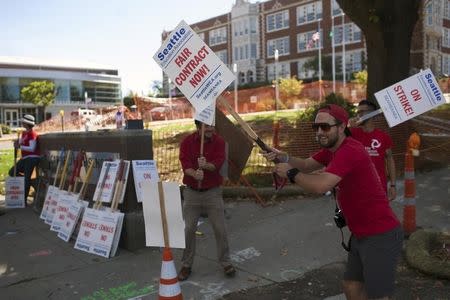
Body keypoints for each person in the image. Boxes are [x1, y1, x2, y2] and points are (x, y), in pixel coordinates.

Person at [263, 104, 402, 299]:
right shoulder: (332, 150)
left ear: (342, 126)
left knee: (377, 295)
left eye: (325, 127)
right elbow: (306, 165)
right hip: (361, 232)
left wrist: (290, 173)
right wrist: (282, 156)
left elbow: (321, 186)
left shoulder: (350, 149)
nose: (319, 132)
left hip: (380, 234)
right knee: (351, 285)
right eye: (316, 127)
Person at [178, 120, 236, 281]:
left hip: (213, 193)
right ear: (198, 128)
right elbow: (185, 165)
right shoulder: (187, 142)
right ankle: (186, 265)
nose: (211, 129)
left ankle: (226, 262)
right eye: (207, 126)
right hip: (191, 193)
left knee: (220, 228)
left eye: (212, 125)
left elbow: (217, 164)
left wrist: (206, 165)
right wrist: (194, 173)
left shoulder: (220, 142)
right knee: (189, 230)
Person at [349, 100, 397, 201]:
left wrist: (393, 185)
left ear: (372, 114)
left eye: (362, 111)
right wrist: (347, 128)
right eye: (358, 112)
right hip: (356, 188)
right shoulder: (351, 133)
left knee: (378, 215)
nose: (359, 114)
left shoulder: (383, 137)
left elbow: (390, 159)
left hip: (378, 187)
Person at [9, 114, 41, 206]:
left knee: (26, 178)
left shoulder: (32, 134)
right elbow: (20, 143)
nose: (22, 123)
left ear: (27, 123)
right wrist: (16, 142)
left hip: (32, 158)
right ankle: (30, 181)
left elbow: (32, 148)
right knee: (12, 172)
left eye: (23, 122)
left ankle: (24, 201)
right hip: (25, 158)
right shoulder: (24, 133)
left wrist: (19, 146)